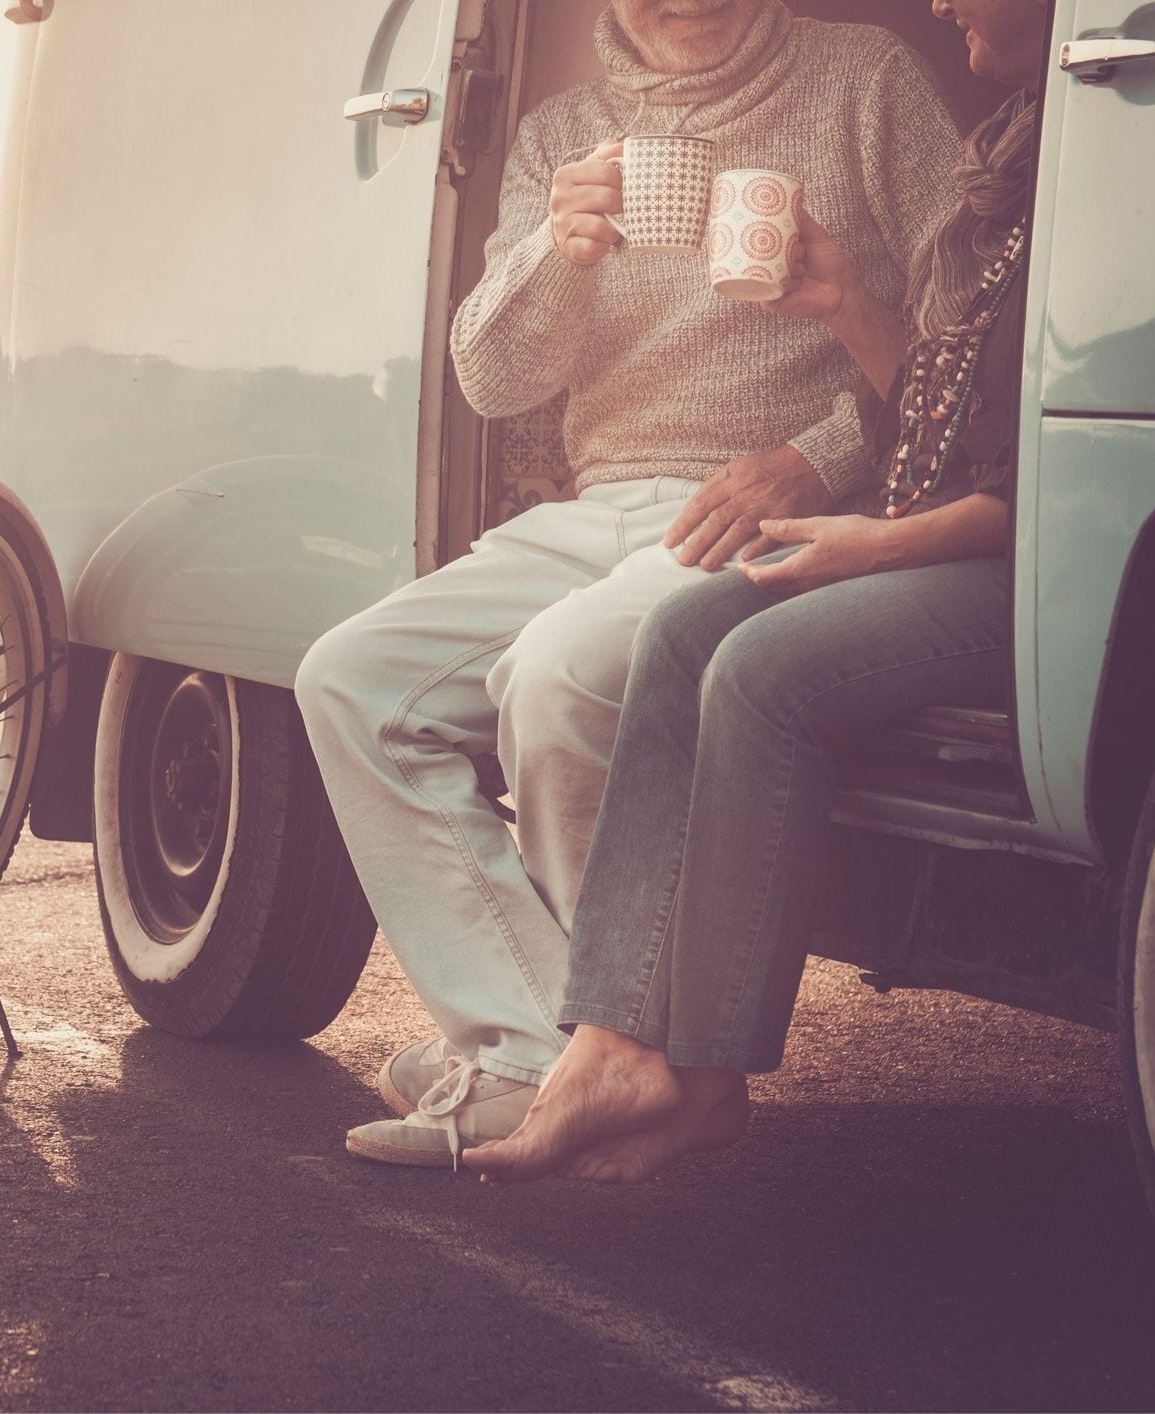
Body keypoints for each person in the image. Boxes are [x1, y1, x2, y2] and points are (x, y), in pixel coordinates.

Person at [295, 0, 962, 1165]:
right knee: (348, 679)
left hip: (791, 500)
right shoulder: (566, 132)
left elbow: (967, 337)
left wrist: (820, 460)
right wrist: (555, 254)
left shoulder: (869, 82)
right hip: (600, 505)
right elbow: (493, 381)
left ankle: (577, 1055)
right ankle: (547, 1051)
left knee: (555, 676)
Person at [465, 0, 1052, 1185]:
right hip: (713, 503)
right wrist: (558, 257)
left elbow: (1019, 475)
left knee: (730, 664)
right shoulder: (1005, 157)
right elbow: (935, 402)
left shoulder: (1013, 153)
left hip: (955, 539)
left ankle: (678, 1059)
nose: (939, 7)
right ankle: (618, 1042)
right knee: (684, 635)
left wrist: (856, 523)